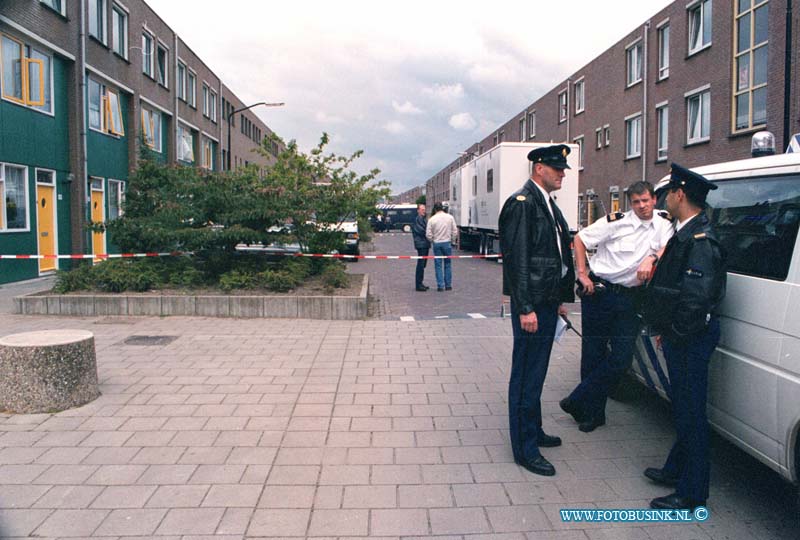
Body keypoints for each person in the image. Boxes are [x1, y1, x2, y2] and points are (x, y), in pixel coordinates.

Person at [641, 163, 726, 511]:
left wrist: (673, 333)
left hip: (690, 338)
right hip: (682, 334)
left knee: (690, 414)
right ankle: (676, 469)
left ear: (680, 194)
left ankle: (692, 493)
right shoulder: (686, 232)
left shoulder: (701, 240)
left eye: (668, 194)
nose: (665, 201)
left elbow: (695, 299)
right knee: (683, 408)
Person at [559, 181, 673, 433]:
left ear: (655, 200)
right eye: (636, 202)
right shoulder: (617, 221)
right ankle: (592, 414)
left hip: (631, 298)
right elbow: (579, 239)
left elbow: (670, 247)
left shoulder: (664, 224)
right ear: (630, 204)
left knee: (621, 358)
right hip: (599, 293)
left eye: (645, 200)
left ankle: (577, 398)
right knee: (593, 354)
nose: (642, 206)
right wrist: (582, 273)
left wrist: (652, 257)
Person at [498, 144, 575, 476]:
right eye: (557, 169)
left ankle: (535, 430)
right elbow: (517, 261)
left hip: (545, 302)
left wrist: (558, 299)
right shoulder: (522, 204)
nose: (562, 174)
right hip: (531, 306)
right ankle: (524, 449)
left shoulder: (547, 203)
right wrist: (525, 308)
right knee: (527, 375)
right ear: (539, 168)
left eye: (563, 169)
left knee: (537, 372)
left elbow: (555, 256)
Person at [426, 202, 458, 291]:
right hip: (447, 242)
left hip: (437, 243)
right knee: (448, 264)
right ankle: (448, 285)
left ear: (435, 209)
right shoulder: (450, 217)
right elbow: (455, 231)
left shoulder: (432, 219)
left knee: (438, 265)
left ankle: (440, 285)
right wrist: (452, 240)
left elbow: (428, 234)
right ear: (442, 208)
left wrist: (433, 240)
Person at [412, 203, 431, 291]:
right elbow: (421, 231)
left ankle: (420, 283)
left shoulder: (422, 219)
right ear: (418, 210)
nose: (424, 211)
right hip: (421, 244)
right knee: (420, 264)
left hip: (424, 243)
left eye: (424, 209)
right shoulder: (418, 219)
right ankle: (418, 284)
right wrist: (429, 233)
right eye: (422, 210)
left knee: (422, 264)